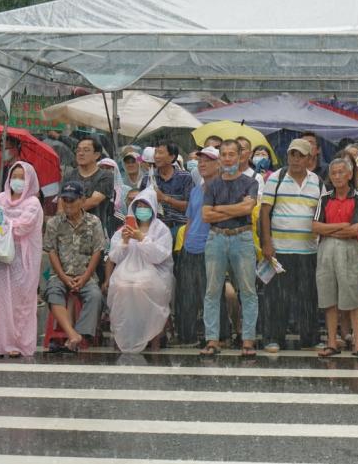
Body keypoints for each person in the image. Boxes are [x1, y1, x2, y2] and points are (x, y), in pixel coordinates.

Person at [259, 138, 323, 353]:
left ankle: (310, 339)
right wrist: (266, 244)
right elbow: (264, 213)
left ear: (309, 159)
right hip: (280, 250)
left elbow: (320, 215)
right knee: (277, 297)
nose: (295, 159)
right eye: (292, 154)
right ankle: (272, 338)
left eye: (300, 155)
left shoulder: (318, 182)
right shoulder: (275, 179)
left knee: (307, 296)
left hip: (308, 250)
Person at [0, 161, 44, 357]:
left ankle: (16, 343)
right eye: (14, 176)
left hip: (21, 260)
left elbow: (23, 227)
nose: (17, 181)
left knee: (19, 303)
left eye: (22, 177)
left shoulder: (33, 203)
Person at [200, 139, 260, 357]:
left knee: (248, 291)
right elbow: (206, 215)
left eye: (231, 154)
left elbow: (248, 207)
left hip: (242, 236)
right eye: (223, 154)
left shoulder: (250, 182)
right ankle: (212, 339)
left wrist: (220, 208)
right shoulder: (212, 184)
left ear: (240, 156)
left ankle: (248, 339)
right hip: (216, 238)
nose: (227, 158)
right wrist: (235, 209)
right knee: (212, 291)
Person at [312, 157, 358, 359]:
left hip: (349, 249)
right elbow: (315, 227)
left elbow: (356, 230)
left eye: (340, 172)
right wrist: (341, 227)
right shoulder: (325, 198)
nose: (336, 176)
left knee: (353, 296)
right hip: (326, 250)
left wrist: (331, 231)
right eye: (333, 173)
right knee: (329, 297)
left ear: (349, 174)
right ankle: (331, 342)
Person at [107, 186, 174, 353]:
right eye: (140, 206)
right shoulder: (124, 229)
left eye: (146, 206)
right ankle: (126, 335)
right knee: (121, 287)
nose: (142, 210)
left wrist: (142, 239)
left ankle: (150, 336)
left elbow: (160, 256)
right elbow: (114, 257)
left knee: (141, 287)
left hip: (155, 274)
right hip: (127, 271)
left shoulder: (161, 230)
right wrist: (124, 242)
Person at [43, 181, 107, 352]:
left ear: (82, 200)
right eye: (65, 200)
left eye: (72, 200)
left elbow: (97, 252)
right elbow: (51, 252)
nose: (68, 204)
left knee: (95, 296)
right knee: (53, 291)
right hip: (60, 275)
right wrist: (64, 277)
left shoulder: (94, 222)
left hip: (86, 275)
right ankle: (72, 334)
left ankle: (80, 334)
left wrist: (85, 277)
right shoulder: (54, 223)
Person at [175, 146, 224, 346]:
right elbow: (190, 219)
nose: (202, 164)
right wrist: (185, 243)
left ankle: (219, 336)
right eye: (200, 160)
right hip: (190, 247)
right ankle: (186, 335)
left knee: (212, 294)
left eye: (208, 160)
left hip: (211, 247)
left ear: (218, 164)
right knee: (187, 293)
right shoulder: (196, 189)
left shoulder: (223, 189)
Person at [64, 136, 115, 235]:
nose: (81, 153)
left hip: (94, 233)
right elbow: (61, 203)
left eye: (86, 150)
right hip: (68, 232)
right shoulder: (69, 175)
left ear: (96, 155)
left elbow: (93, 201)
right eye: (78, 150)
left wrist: (69, 210)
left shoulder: (106, 176)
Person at [140, 141, 193, 236]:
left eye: (160, 153)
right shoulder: (148, 178)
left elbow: (190, 207)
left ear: (172, 157)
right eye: (155, 152)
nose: (156, 156)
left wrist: (165, 198)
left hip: (180, 228)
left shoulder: (185, 177)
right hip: (155, 229)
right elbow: (141, 206)